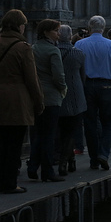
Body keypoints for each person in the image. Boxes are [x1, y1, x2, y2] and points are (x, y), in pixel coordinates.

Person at [0, 9, 44, 194]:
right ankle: (10, 183)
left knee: (2, 142)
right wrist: (39, 101)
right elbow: (31, 79)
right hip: (17, 100)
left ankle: (0, 179)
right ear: (19, 26)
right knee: (14, 144)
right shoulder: (23, 47)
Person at [75, 16, 111, 170]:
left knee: (90, 124)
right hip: (106, 86)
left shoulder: (79, 44)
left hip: (87, 86)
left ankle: (93, 159)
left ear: (90, 28)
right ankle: (103, 154)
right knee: (109, 122)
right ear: (103, 28)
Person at [28, 19, 67, 182]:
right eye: (56, 30)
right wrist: (63, 89)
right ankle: (47, 171)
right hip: (51, 97)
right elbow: (58, 76)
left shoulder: (32, 48)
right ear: (46, 32)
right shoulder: (53, 51)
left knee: (37, 134)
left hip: (35, 95)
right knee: (49, 135)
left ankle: (32, 166)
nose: (59, 33)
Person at [56, 25, 86, 176]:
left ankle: (70, 160)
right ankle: (64, 162)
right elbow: (83, 76)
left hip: (57, 95)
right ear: (70, 36)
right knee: (71, 130)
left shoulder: (52, 52)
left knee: (61, 130)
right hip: (75, 94)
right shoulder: (78, 53)